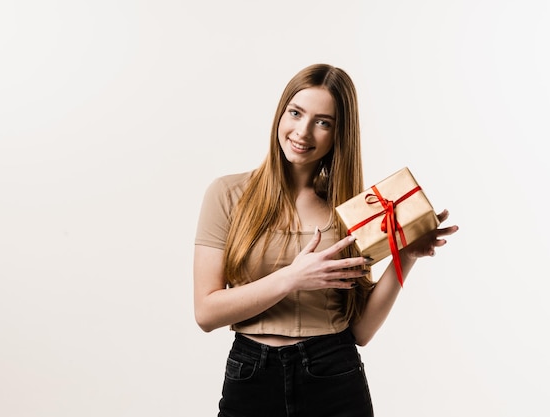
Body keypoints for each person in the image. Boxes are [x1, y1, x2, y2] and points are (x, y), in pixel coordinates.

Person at [193, 63, 459, 417]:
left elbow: (361, 331)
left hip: (333, 372)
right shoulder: (227, 194)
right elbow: (206, 312)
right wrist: (293, 277)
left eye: (323, 122)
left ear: (339, 133)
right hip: (251, 375)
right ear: (280, 114)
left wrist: (404, 255)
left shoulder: (353, 211)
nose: (302, 131)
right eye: (296, 113)